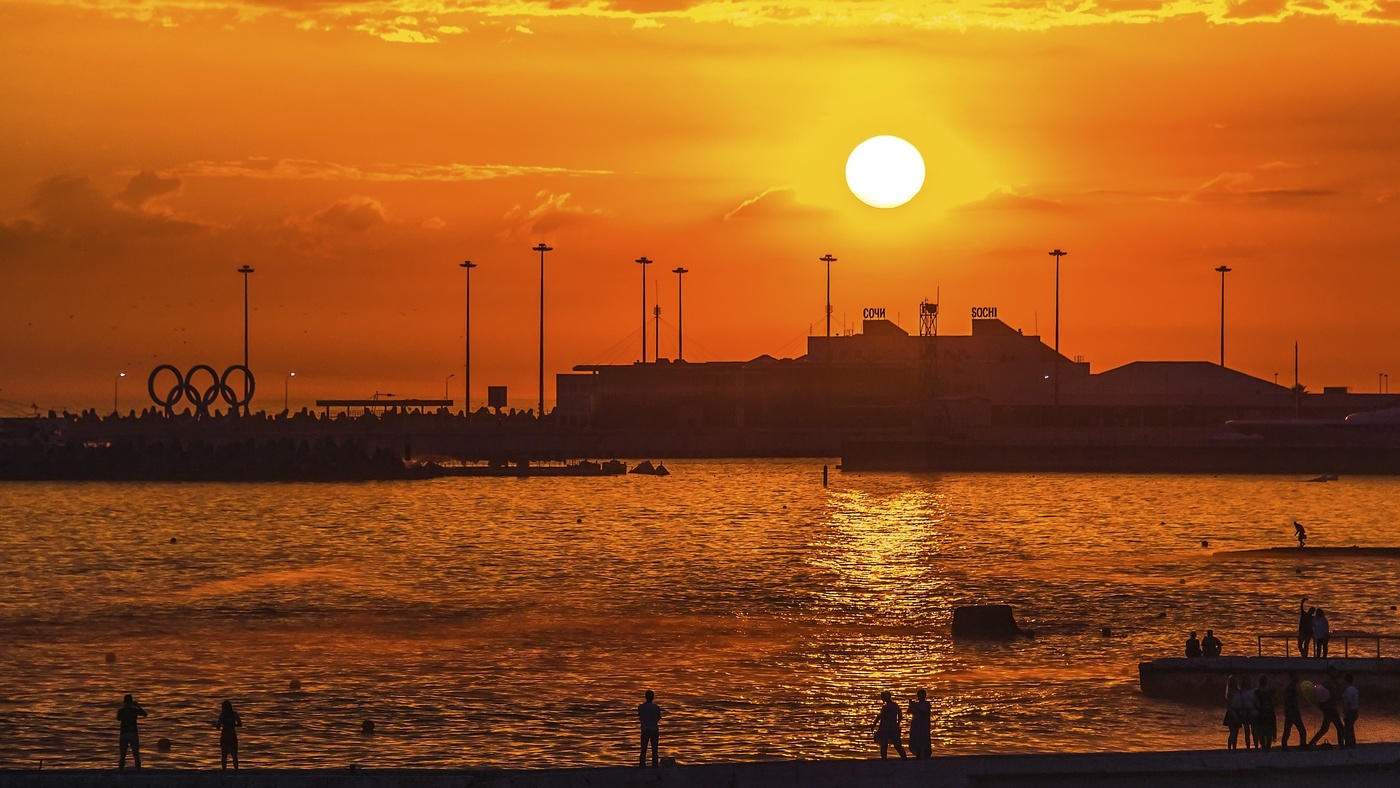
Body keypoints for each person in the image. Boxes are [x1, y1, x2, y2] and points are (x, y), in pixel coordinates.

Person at [1308, 676, 1343, 747]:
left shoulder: (1322, 690)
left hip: (1328, 710)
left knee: (1325, 729)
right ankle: (1341, 744)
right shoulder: (1328, 686)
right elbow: (1332, 697)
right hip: (1331, 710)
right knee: (1339, 727)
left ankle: (1312, 742)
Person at [872, 691, 906, 759]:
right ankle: (904, 757)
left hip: (886, 728)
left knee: (884, 745)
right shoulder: (894, 705)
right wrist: (898, 724)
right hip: (892, 727)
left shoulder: (887, 707)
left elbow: (880, 716)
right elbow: (900, 715)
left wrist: (874, 724)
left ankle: (884, 759)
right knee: (896, 744)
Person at [117, 694, 147, 772]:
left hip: (124, 733)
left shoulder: (121, 711)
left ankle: (121, 771)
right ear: (131, 702)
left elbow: (118, 719)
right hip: (133, 733)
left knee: (123, 755)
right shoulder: (134, 710)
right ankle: (138, 771)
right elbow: (145, 714)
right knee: (136, 754)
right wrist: (138, 706)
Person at [1280, 673, 1308, 751]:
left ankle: (1285, 746)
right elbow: (1290, 701)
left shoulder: (1291, 687)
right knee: (1300, 730)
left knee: (1288, 730)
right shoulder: (1291, 688)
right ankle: (1302, 745)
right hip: (1292, 712)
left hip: (1291, 712)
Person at [637, 690, 663, 767]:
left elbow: (640, 717)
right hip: (654, 730)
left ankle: (642, 765)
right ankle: (655, 765)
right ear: (653, 697)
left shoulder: (640, 707)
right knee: (654, 750)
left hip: (645, 729)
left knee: (643, 750)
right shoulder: (656, 707)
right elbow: (658, 718)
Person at [216, 700, 243, 770]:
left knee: (225, 755)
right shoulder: (234, 714)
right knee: (233, 755)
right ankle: (235, 770)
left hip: (226, 736)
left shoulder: (223, 715)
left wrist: (217, 724)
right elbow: (240, 724)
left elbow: (218, 727)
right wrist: (233, 725)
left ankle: (225, 770)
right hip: (230, 735)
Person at [907, 689, 932, 760]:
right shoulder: (916, 704)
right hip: (916, 725)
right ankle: (917, 754)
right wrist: (911, 705)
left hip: (923, 725)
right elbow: (909, 712)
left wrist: (915, 706)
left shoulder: (926, 704)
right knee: (916, 740)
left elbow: (923, 712)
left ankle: (926, 754)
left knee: (924, 740)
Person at [1254, 675, 1276, 752]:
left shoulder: (1257, 692)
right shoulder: (1270, 691)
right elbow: (1274, 702)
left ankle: (1263, 748)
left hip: (1262, 712)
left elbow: (1257, 703)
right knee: (1269, 731)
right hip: (1269, 712)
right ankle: (1268, 748)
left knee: (1261, 731)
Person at [1224, 676, 1244, 750]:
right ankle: (1230, 747)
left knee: (1236, 733)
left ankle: (1234, 747)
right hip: (1232, 712)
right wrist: (1234, 714)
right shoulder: (1230, 692)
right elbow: (1229, 706)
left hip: (1238, 711)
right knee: (1232, 732)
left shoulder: (1239, 691)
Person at [1341, 674, 1360, 748]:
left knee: (1348, 729)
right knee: (1350, 728)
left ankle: (1349, 745)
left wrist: (1345, 713)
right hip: (1355, 711)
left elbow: (1348, 703)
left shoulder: (1348, 690)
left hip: (1350, 712)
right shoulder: (1354, 689)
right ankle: (1352, 744)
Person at [1239, 675, 1258, 749]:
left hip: (1253, 711)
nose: (1249, 682)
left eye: (1249, 680)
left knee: (1254, 731)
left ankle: (1256, 746)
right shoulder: (1241, 691)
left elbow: (1256, 701)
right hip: (1245, 711)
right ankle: (1248, 747)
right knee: (1247, 731)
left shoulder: (1254, 690)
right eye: (1247, 680)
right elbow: (1240, 702)